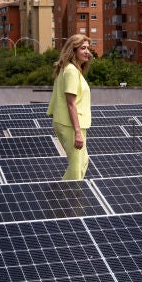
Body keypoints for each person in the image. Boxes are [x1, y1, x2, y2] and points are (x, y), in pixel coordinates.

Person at [47, 34, 92, 180]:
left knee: (82, 162)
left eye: (88, 48)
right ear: (73, 50)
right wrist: (77, 132)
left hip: (69, 123)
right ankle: (68, 198)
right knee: (76, 167)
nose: (87, 52)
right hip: (70, 124)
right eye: (83, 48)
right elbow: (71, 103)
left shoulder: (69, 69)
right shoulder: (71, 71)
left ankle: (65, 195)